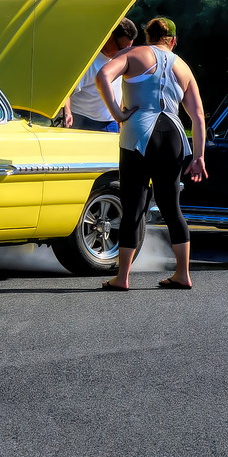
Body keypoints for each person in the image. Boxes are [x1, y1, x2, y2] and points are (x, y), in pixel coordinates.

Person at [94, 16, 207, 290]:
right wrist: (199, 157)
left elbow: (102, 76)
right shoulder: (184, 66)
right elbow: (198, 115)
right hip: (173, 136)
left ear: (148, 36)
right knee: (172, 207)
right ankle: (183, 274)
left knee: (134, 206)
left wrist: (117, 113)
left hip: (138, 134)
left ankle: (122, 278)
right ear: (174, 40)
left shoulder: (134, 54)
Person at [63, 17, 138, 131]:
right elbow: (65, 92)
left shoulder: (121, 59)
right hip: (83, 121)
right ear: (109, 38)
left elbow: (118, 89)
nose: (123, 54)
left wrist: (120, 116)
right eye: (121, 49)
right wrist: (67, 113)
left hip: (111, 122)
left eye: (128, 50)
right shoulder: (87, 61)